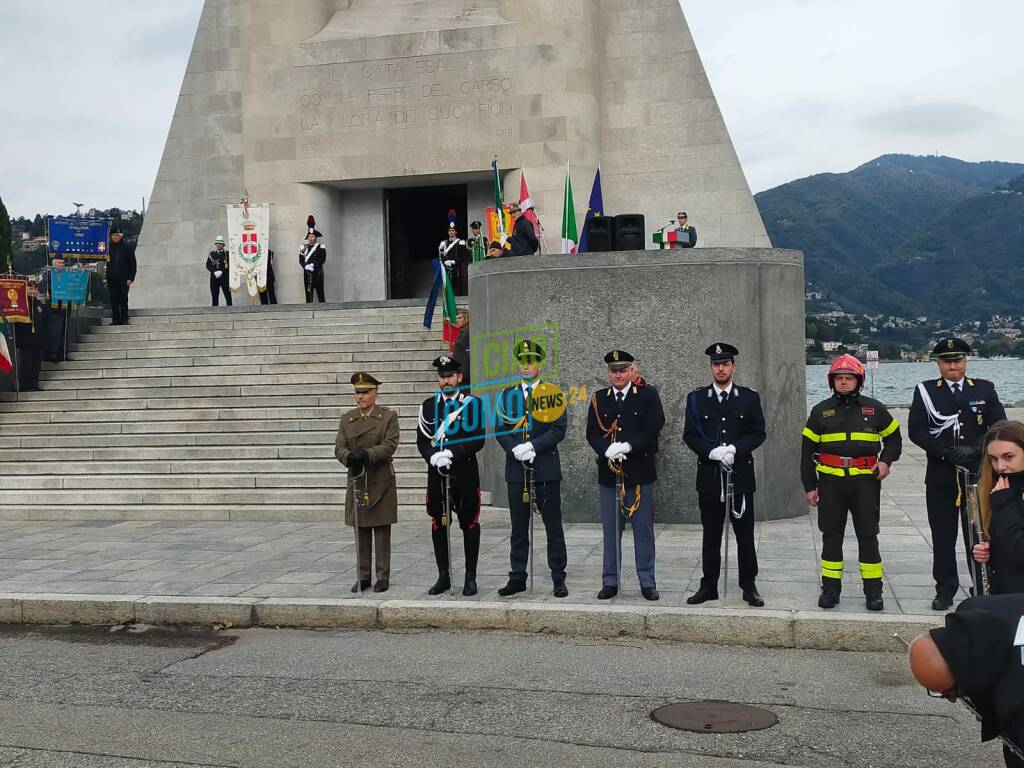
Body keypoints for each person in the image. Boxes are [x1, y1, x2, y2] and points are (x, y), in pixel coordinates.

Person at [909, 337, 1006, 610]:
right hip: (941, 476)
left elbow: (999, 424)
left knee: (978, 534)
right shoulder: (926, 391)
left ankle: (981, 585)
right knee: (943, 536)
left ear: (966, 361)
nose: (953, 365)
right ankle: (945, 589)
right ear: (938, 364)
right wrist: (946, 452)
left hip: (976, 475)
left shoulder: (985, 389)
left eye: (958, 360)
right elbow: (916, 430)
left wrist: (976, 449)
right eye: (947, 361)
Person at [802, 354, 902, 611]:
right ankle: (831, 590)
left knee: (868, 536)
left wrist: (886, 462)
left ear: (859, 380)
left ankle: (873, 592)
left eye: (849, 378)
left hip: (864, 484)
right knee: (831, 536)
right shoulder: (820, 411)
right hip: (830, 484)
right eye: (839, 378)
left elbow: (894, 439)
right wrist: (810, 486)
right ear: (831, 381)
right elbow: (805, 452)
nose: (844, 383)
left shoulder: (875, 409)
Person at [683, 343, 767, 606]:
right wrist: (711, 453)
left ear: (733, 367)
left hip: (740, 474)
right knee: (711, 534)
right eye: (716, 364)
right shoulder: (696, 399)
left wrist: (735, 449)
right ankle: (709, 586)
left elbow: (758, 432)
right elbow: (690, 435)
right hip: (709, 476)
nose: (721, 368)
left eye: (725, 364)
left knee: (744, 535)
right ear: (711, 368)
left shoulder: (749, 397)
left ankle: (749, 585)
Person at [585, 349, 666, 600]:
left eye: (622, 370)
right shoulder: (599, 398)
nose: (618, 375)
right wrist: (606, 449)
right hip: (609, 474)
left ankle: (647, 581)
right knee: (611, 531)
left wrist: (628, 446)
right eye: (613, 371)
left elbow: (653, 428)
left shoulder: (647, 396)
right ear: (608, 374)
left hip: (639, 473)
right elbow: (592, 433)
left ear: (632, 371)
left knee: (643, 531)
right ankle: (610, 581)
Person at [908, 594, 1024, 767]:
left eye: (950, 692)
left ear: (967, 674)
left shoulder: (1014, 701)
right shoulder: (972, 611)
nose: (953, 700)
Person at [494, 340, 568, 598]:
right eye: (523, 361)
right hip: (517, 469)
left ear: (539, 365)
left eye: (532, 361)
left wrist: (534, 446)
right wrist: (515, 448)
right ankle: (517, 576)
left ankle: (558, 576)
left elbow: (558, 429)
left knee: (553, 527)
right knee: (518, 527)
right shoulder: (507, 395)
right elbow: (500, 428)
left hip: (545, 468)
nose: (527, 366)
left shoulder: (553, 394)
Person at [416, 354, 485, 596]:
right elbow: (423, 439)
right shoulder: (428, 405)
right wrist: (432, 456)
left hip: (464, 472)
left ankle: (470, 577)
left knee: (469, 523)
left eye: (450, 377)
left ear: (459, 377)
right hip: (437, 473)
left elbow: (478, 438)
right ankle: (443, 575)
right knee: (439, 523)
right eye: (442, 377)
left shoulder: (473, 404)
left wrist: (453, 454)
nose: (446, 381)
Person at [334, 372, 400, 593]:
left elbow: (390, 445)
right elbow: (339, 447)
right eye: (357, 392)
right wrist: (348, 457)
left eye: (365, 392)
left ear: (375, 393)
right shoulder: (347, 419)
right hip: (358, 478)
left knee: (381, 529)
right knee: (360, 528)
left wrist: (367, 454)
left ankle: (382, 576)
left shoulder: (388, 417)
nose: (360, 397)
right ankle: (363, 576)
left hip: (380, 478)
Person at [971, 421, 1024, 595]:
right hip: (1002, 592)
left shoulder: (1001, 496)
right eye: (994, 459)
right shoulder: (991, 487)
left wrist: (1004, 503)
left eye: (1008, 457)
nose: (1000, 466)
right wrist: (983, 551)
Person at [13, 279, 46, 391]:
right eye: (30, 288)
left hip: (38, 339)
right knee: (26, 363)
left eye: (35, 289)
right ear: (25, 289)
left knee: (36, 364)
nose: (33, 291)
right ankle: (24, 385)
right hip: (25, 339)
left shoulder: (40, 304)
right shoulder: (21, 304)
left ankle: (34, 383)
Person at [106, 226, 137, 325]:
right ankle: (115, 319)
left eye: (118, 235)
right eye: (114, 235)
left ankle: (124, 319)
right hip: (111, 277)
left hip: (124, 278)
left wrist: (131, 277)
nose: (116, 237)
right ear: (111, 236)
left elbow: (133, 264)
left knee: (123, 299)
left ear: (121, 236)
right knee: (114, 299)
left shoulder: (127, 247)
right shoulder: (107, 247)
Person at [438, 212, 470, 295]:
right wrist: (441, 251)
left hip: (457, 269)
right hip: (447, 269)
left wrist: (454, 262)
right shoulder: (444, 243)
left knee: (458, 289)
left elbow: (464, 257)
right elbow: (441, 257)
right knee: (448, 288)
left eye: (453, 230)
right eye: (450, 231)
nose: (451, 232)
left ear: (456, 232)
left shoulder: (460, 242)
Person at [299, 215, 327, 303]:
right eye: (309, 236)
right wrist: (305, 266)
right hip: (307, 274)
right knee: (308, 295)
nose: (311, 238)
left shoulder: (320, 247)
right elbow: (301, 259)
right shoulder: (303, 247)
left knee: (320, 295)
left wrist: (314, 265)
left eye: (312, 236)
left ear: (315, 237)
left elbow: (323, 258)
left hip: (317, 273)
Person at [206, 235, 232, 307]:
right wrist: (214, 271)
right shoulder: (212, 254)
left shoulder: (227, 254)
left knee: (228, 298)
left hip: (225, 279)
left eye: (220, 243)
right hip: (214, 279)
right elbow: (208, 265)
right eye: (217, 243)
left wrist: (222, 271)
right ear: (215, 244)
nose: (219, 245)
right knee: (214, 298)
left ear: (223, 245)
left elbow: (230, 265)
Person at [451, 307, 471, 386]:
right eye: (456, 318)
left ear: (467, 319)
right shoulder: (462, 332)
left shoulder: (468, 332)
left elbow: (468, 354)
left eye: (459, 318)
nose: (457, 320)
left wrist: (463, 374)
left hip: (464, 376)